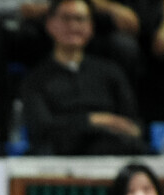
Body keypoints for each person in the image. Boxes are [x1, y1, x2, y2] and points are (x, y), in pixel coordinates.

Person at [21, 0, 148, 155]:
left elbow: (132, 125)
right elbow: (42, 130)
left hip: (112, 152)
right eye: (66, 18)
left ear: (91, 26)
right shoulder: (36, 80)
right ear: (49, 24)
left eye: (80, 19)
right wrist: (95, 120)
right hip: (60, 157)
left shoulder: (111, 73)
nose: (73, 26)